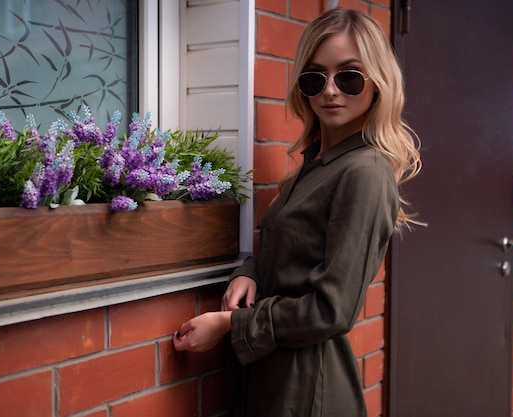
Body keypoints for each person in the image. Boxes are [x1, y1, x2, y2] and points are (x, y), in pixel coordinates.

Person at [173, 7, 422, 417]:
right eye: (314, 77)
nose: (329, 90)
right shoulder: (317, 165)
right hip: (274, 380)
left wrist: (227, 326)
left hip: (309, 392)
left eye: (348, 76)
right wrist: (249, 271)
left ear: (377, 83)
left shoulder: (365, 171)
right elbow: (288, 256)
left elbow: (331, 310)